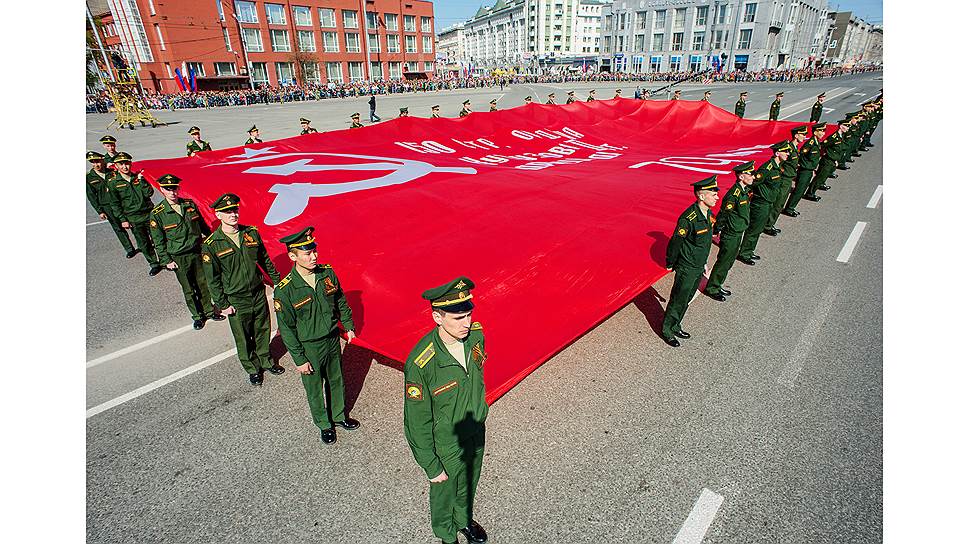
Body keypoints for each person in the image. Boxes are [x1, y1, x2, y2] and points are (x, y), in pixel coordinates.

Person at [404, 276, 490, 544]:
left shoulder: (476, 336)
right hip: (447, 442)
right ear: (437, 318)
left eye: (468, 314)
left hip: (474, 428)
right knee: (445, 492)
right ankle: (446, 535)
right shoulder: (422, 363)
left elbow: (477, 378)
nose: (466, 323)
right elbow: (415, 422)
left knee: (469, 482)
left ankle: (463, 521)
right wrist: (430, 466)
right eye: (457, 318)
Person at [274, 227, 359, 444]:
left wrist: (348, 325)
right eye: (307, 254)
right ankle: (324, 424)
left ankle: (339, 416)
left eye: (314, 252)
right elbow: (287, 328)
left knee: (336, 379)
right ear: (293, 256)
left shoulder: (327, 273)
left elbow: (340, 300)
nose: (314, 257)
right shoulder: (285, 290)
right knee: (314, 388)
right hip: (309, 346)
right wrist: (299, 359)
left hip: (331, 338)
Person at [201, 193, 283, 386]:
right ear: (218, 215)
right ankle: (252, 368)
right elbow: (212, 279)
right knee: (243, 336)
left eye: (235, 210)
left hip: (257, 291)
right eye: (227, 211)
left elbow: (265, 260)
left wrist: (278, 282)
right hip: (236, 298)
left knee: (263, 328)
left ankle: (266, 359)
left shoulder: (251, 233)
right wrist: (222, 304)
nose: (233, 214)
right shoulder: (212, 244)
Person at [148, 174, 225, 329]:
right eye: (168, 189)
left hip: (196, 251)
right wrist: (166, 260)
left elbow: (202, 225)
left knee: (203, 283)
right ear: (162, 190)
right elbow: (158, 240)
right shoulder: (158, 213)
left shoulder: (189, 205)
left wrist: (212, 242)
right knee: (189, 288)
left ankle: (209, 311)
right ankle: (197, 316)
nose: (172, 192)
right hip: (178, 256)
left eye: (174, 188)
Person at [661, 176, 719, 347]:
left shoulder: (708, 214)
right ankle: (667, 330)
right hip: (687, 266)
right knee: (678, 298)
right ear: (701, 196)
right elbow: (676, 242)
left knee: (686, 298)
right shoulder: (689, 218)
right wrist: (671, 262)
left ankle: (676, 324)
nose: (716, 197)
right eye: (713, 194)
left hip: (698, 264)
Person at [103, 152, 164, 276]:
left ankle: (164, 260)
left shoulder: (138, 177)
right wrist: (123, 219)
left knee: (159, 238)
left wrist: (142, 181)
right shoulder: (113, 183)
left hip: (149, 213)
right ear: (116, 165)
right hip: (133, 217)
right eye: (121, 164)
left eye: (127, 163)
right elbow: (115, 204)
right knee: (143, 242)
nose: (125, 167)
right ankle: (154, 263)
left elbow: (148, 193)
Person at [704, 162, 754, 301]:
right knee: (724, 261)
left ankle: (717, 284)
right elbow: (724, 213)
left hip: (738, 230)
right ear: (741, 176)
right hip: (731, 232)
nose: (753, 176)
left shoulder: (743, 191)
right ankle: (712, 288)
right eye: (750, 174)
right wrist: (717, 229)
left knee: (729, 260)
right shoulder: (734, 194)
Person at [736, 141, 790, 265]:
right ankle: (744, 253)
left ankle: (749, 250)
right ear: (777, 153)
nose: (788, 153)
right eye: (785, 151)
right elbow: (754, 183)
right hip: (761, 204)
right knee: (754, 229)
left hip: (769, 202)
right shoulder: (767, 168)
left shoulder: (777, 167)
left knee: (759, 228)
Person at [86, 151, 136, 258]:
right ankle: (129, 248)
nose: (96, 165)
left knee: (132, 223)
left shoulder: (112, 172)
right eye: (93, 162)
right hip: (107, 206)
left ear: (103, 160)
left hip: (121, 204)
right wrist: (100, 211)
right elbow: (92, 197)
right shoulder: (89, 178)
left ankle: (142, 243)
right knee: (118, 227)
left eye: (98, 161)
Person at [763, 125, 807, 236]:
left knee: (780, 203)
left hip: (788, 179)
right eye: (803, 134)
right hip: (784, 179)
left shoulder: (794, 148)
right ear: (796, 135)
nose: (804, 137)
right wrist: (782, 173)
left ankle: (770, 223)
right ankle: (767, 225)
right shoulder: (789, 149)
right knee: (778, 203)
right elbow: (779, 163)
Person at [783, 123, 826, 216]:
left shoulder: (816, 142)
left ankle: (791, 207)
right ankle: (789, 208)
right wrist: (802, 165)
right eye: (821, 131)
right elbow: (802, 154)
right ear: (815, 132)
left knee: (801, 190)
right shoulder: (810, 143)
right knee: (798, 190)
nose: (823, 133)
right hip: (804, 170)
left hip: (809, 170)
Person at [803, 122, 848, 202]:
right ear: (841, 126)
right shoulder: (833, 137)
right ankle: (810, 193)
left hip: (832, 160)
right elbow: (823, 145)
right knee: (819, 178)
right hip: (827, 161)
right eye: (846, 126)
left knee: (822, 177)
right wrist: (826, 153)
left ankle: (814, 190)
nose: (848, 128)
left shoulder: (841, 136)